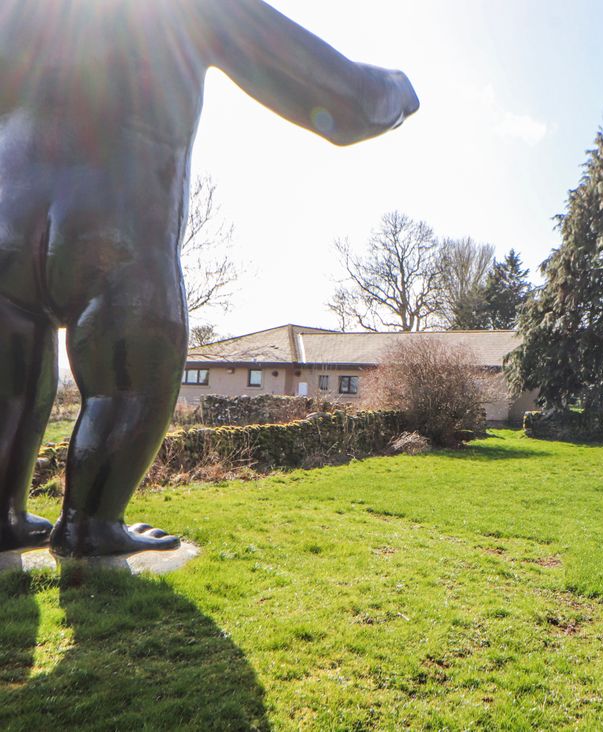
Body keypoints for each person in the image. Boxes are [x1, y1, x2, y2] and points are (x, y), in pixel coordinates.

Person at [0, 0, 418, 557]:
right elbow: (346, 103)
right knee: (127, 385)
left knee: (9, 391)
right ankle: (90, 526)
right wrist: (399, 91)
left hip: (5, 227)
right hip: (116, 229)